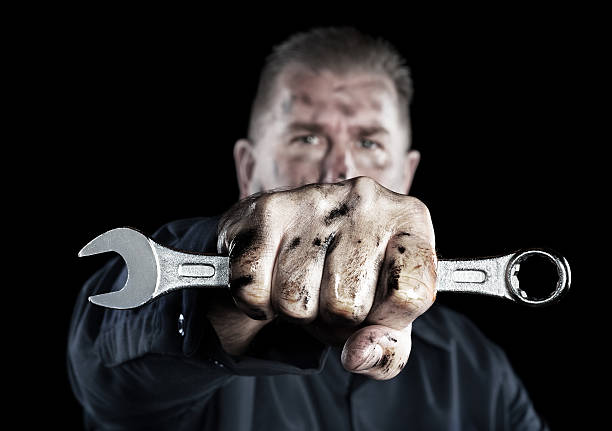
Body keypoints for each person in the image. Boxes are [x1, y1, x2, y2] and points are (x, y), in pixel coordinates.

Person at [68, 27, 548, 430]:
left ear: (407, 175)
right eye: (307, 137)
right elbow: (106, 378)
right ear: (246, 169)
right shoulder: (174, 373)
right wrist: (224, 296)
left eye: (369, 142)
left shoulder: (480, 372)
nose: (341, 170)